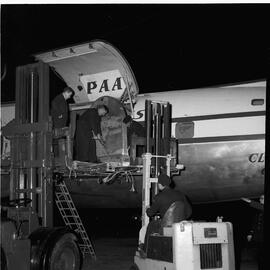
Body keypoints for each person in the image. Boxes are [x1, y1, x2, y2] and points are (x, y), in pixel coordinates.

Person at [141, 173, 192, 256]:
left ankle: (146, 251)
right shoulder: (181, 195)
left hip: (166, 226)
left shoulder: (159, 197)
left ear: (161, 184)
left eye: (158, 183)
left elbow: (150, 214)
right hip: (180, 226)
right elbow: (189, 212)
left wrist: (147, 208)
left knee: (151, 225)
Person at [242, 195, 264, 270]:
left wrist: (250, 201)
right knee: (260, 255)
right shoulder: (258, 213)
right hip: (259, 238)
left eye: (263, 198)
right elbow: (254, 225)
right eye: (260, 198)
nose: (260, 200)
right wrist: (250, 234)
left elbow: (262, 207)